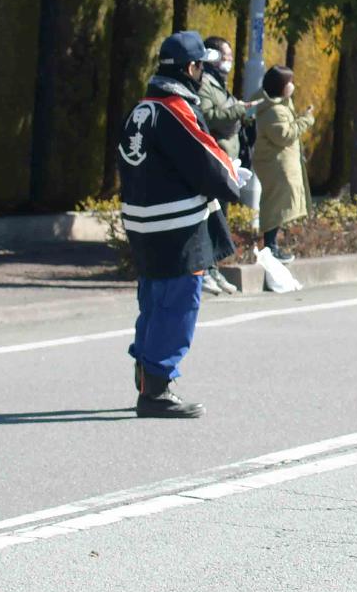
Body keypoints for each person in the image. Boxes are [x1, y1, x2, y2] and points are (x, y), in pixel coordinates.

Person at [113, 31, 250, 418]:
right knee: (179, 303)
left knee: (154, 303)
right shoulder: (176, 109)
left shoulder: (141, 109)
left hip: (142, 224)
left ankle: (147, 374)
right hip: (177, 226)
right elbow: (208, 160)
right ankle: (156, 388)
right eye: (202, 68)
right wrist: (234, 177)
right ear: (191, 68)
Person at [193, 37, 258, 296]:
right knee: (210, 216)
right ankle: (205, 270)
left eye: (230, 55)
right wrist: (238, 110)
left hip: (226, 159)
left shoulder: (219, 84)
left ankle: (214, 268)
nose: (228, 60)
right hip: (214, 158)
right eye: (224, 55)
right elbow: (207, 116)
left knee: (220, 218)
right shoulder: (206, 84)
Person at [251, 66, 314, 262]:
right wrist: (306, 119)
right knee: (275, 204)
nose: (292, 86)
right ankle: (270, 246)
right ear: (281, 86)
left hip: (279, 162)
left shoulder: (279, 105)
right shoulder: (274, 111)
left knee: (278, 203)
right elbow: (284, 135)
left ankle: (272, 245)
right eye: (289, 82)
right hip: (276, 164)